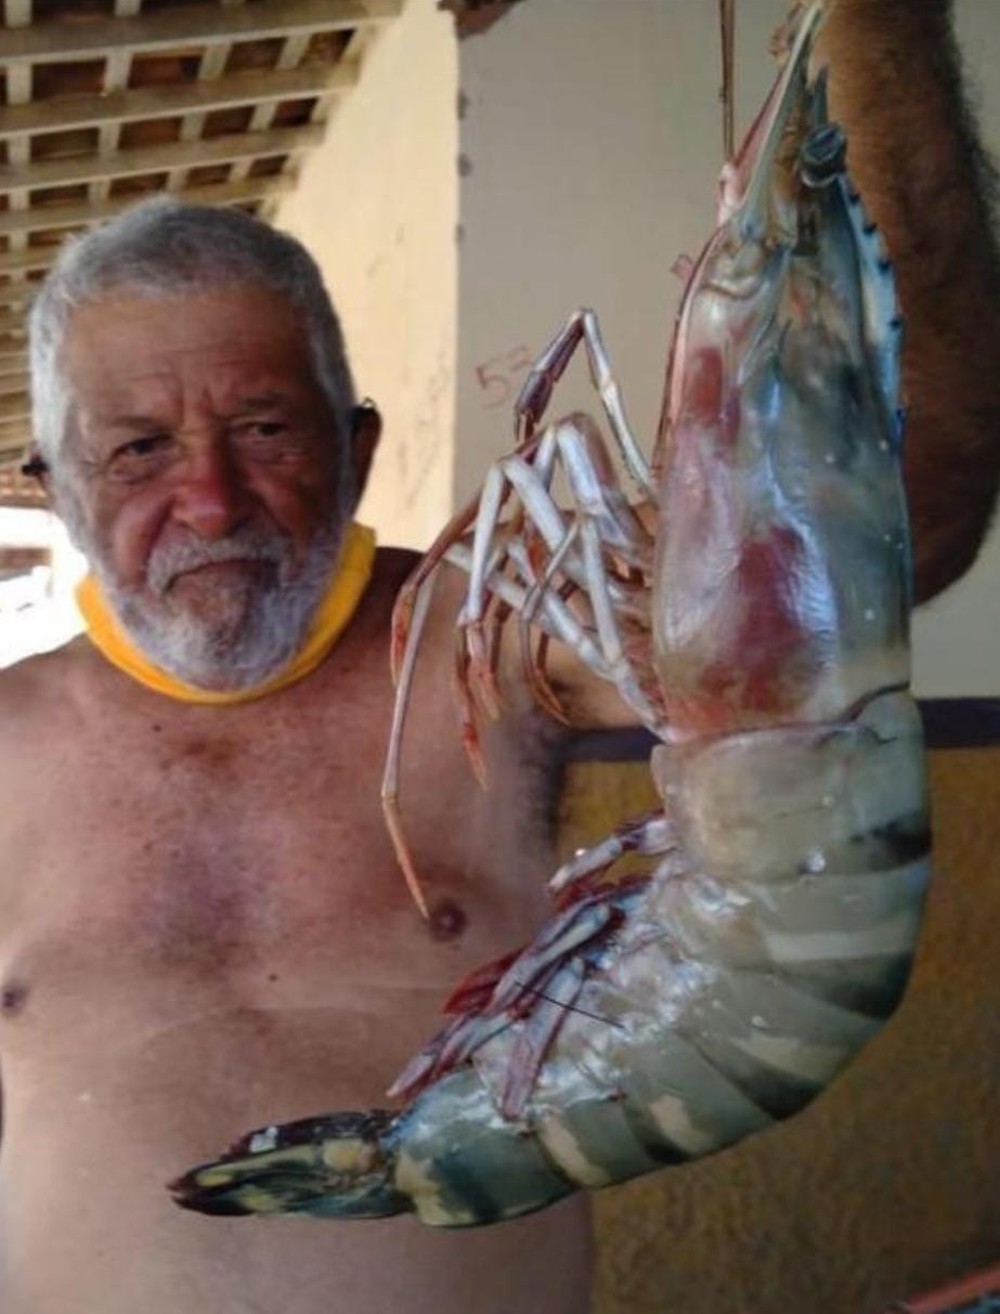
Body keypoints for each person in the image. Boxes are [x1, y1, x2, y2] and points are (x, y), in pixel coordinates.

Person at [0, 2, 997, 1311]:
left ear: (357, 447)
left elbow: (914, 508)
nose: (211, 500)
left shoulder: (498, 638)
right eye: (138, 448)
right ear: (52, 486)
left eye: (265, 427)